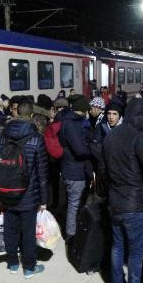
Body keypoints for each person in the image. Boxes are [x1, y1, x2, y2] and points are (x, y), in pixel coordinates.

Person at [102, 97, 143, 283]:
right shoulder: (138, 138)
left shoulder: (110, 136)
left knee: (117, 245)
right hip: (134, 203)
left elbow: (104, 169)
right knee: (136, 250)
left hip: (114, 201)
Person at [0, 103, 48, 278]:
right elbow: (42, 173)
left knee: (10, 229)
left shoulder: (4, 134)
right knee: (28, 233)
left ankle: (13, 264)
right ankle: (29, 267)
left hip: (7, 191)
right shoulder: (36, 139)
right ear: (31, 116)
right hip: (28, 194)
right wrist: (44, 200)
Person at [58, 94, 92, 238]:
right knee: (74, 205)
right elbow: (79, 150)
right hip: (75, 170)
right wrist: (90, 148)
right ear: (83, 109)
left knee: (71, 203)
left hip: (67, 168)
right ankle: (71, 236)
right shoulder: (73, 124)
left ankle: (70, 231)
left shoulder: (66, 121)